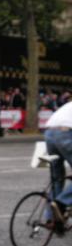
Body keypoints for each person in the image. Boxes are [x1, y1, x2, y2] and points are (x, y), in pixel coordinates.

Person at [44, 95, 72, 234]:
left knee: (57, 178)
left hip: (49, 132)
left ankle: (52, 219)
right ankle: (61, 202)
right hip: (66, 133)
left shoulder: (68, 106)